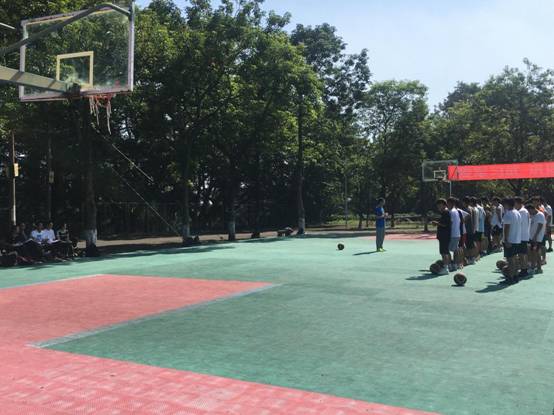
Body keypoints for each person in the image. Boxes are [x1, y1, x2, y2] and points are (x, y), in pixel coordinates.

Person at [502, 197, 521, 284]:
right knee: (515, 258)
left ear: (507, 204)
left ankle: (510, 278)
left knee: (510, 260)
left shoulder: (508, 214)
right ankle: (516, 276)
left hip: (510, 240)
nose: (503, 205)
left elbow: (507, 227)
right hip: (516, 239)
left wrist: (506, 240)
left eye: (504, 204)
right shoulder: (517, 212)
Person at [434, 199, 451, 275]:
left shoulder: (445, 212)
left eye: (440, 205)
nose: (438, 206)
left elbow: (445, 224)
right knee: (444, 251)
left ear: (444, 205)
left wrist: (437, 223)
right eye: (437, 205)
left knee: (444, 252)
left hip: (444, 235)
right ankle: (447, 266)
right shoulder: (444, 212)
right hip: (444, 235)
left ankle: (446, 268)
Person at [515, 197, 530, 277]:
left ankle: (524, 270)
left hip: (522, 236)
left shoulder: (522, 212)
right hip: (522, 236)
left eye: (515, 203)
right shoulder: (523, 211)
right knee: (522, 253)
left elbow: (520, 224)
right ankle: (524, 269)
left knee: (521, 254)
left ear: (518, 203)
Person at [528, 204, 545, 274]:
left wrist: (535, 236)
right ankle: (536, 268)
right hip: (532, 237)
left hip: (537, 238)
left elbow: (540, 226)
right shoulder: (532, 215)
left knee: (536, 253)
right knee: (533, 253)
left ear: (532, 209)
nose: (529, 213)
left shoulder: (540, 215)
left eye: (529, 211)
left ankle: (537, 268)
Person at [447, 197, 461, 271]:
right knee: (455, 250)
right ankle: (455, 264)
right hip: (457, 233)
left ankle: (449, 265)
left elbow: (450, 223)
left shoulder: (451, 212)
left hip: (452, 234)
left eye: (448, 203)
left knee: (446, 250)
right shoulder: (456, 211)